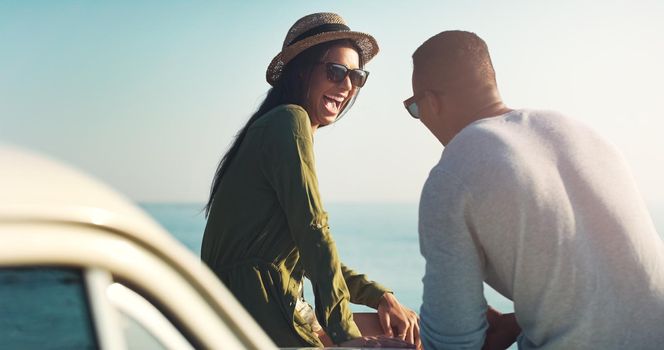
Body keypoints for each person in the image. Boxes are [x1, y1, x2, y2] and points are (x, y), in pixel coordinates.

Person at [405, 30, 664, 349]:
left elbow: (453, 343)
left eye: (415, 108)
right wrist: (520, 319)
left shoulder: (453, 173)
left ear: (431, 102)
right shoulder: (583, 134)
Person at [202, 13, 419, 348]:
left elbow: (304, 252)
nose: (347, 86)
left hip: (259, 309)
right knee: (418, 340)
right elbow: (314, 232)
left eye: (357, 76)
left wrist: (379, 296)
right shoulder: (289, 121)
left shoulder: (275, 127)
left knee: (408, 327)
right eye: (336, 72)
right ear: (302, 71)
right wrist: (346, 338)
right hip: (258, 316)